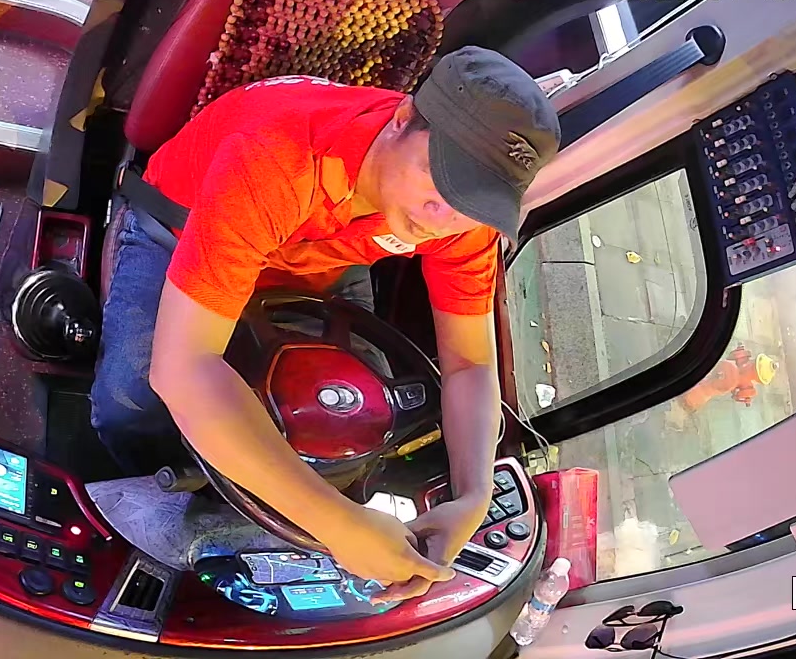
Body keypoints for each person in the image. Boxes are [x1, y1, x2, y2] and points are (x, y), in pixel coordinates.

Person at [91, 46, 560, 602]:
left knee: (362, 411)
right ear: (402, 119)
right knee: (133, 401)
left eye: (473, 201)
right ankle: (149, 483)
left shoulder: (460, 220)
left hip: (320, 261)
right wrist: (336, 526)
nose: (444, 220)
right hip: (182, 227)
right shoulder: (278, 154)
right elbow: (184, 368)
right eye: (441, 179)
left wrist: (474, 495)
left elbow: (471, 363)